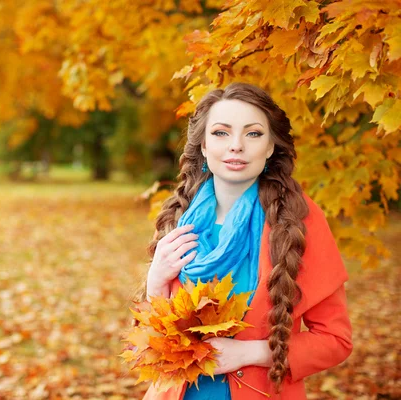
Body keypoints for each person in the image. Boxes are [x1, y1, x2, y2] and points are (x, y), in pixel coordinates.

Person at [134, 82, 353, 400]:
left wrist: (250, 353)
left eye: (253, 133)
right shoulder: (180, 216)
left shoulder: (298, 220)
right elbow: (149, 344)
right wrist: (155, 281)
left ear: (270, 147)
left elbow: (336, 340)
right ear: (204, 147)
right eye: (221, 133)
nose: (236, 145)